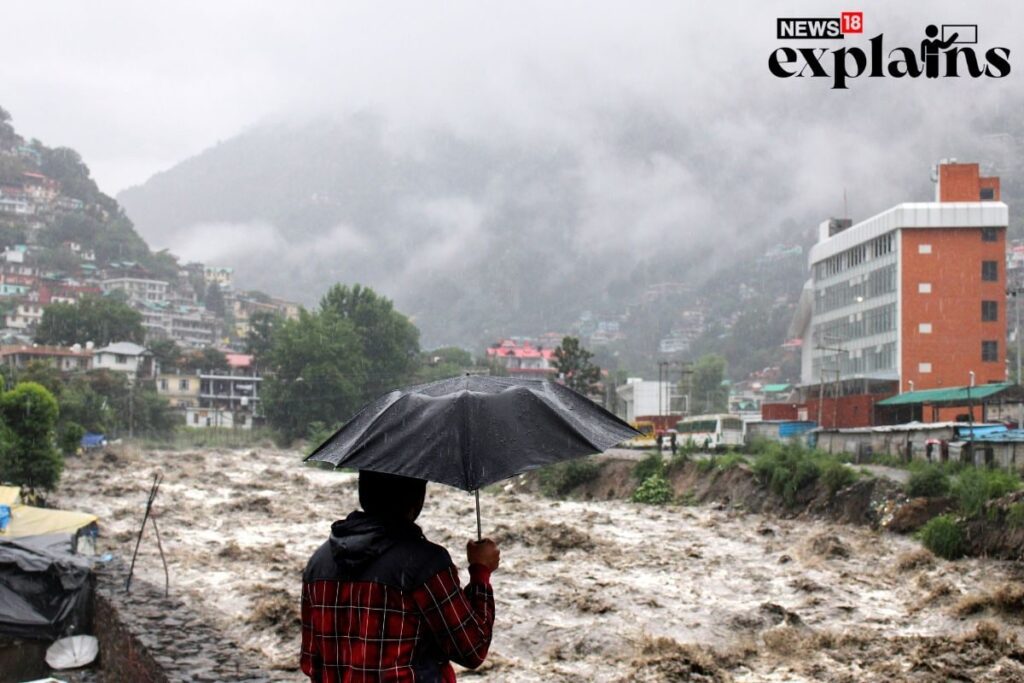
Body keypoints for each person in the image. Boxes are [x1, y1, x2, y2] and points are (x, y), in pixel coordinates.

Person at [301, 470, 500, 682]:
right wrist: (480, 572)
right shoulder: (426, 564)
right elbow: (472, 648)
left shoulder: (318, 563)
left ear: (363, 493)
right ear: (417, 499)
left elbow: (311, 662)